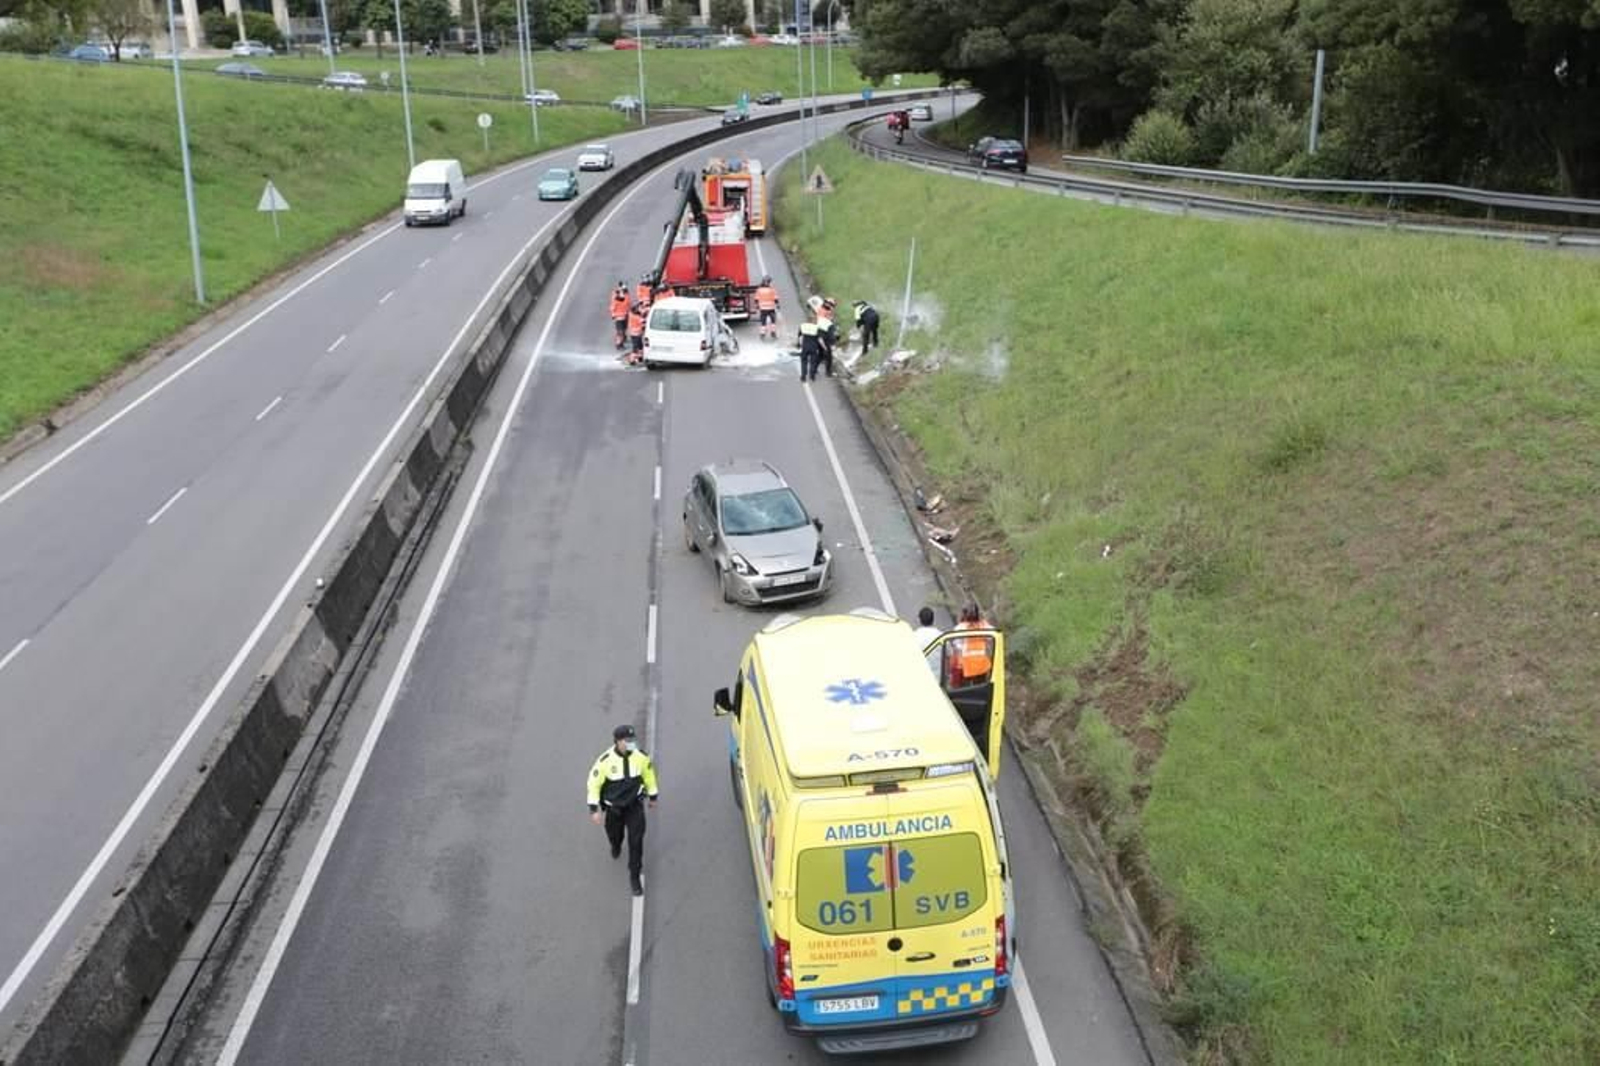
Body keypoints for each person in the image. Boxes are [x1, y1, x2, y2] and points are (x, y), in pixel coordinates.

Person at [587, 723, 659, 896]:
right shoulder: (605, 761)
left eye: (632, 740)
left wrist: (653, 796)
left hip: (634, 806)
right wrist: (593, 809)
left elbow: (649, 776)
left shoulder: (641, 757)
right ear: (618, 742)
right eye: (627, 740)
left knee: (636, 841)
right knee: (614, 834)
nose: (631, 743)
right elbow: (594, 784)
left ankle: (634, 875)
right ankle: (615, 844)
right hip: (614, 809)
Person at [817, 299, 839, 377]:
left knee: (821, 355)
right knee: (828, 356)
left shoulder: (822, 309)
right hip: (824, 336)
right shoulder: (826, 313)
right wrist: (829, 346)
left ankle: (814, 368)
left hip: (821, 331)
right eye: (832, 305)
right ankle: (828, 373)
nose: (833, 307)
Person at [754, 276, 780, 340]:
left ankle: (762, 334)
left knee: (763, 321)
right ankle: (773, 332)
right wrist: (777, 305)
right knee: (773, 321)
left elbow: (756, 299)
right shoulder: (772, 290)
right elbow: (776, 299)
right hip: (771, 308)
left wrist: (757, 305)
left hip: (763, 308)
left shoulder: (759, 290)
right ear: (769, 282)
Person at [610, 282, 631, 350]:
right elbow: (613, 307)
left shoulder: (626, 294)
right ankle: (619, 344)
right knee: (620, 332)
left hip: (625, 315)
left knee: (623, 330)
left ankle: (622, 340)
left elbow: (628, 304)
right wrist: (613, 315)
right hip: (619, 318)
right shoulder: (616, 296)